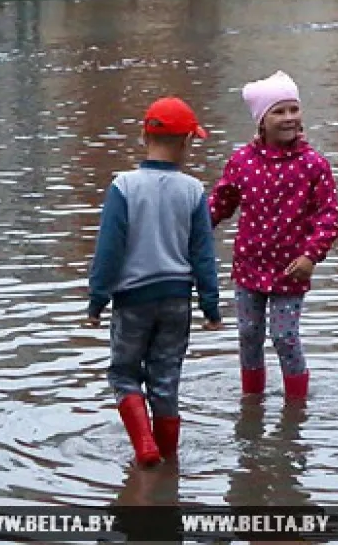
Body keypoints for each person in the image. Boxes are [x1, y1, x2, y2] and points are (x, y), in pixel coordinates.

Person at [85, 96, 224, 467]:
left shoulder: (123, 187)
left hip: (132, 300)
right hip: (177, 301)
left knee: (123, 373)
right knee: (166, 378)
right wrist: (211, 306)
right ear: (187, 143)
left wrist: (97, 300)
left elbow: (109, 250)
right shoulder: (193, 191)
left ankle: (145, 447)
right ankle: (170, 456)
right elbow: (203, 255)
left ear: (142, 136)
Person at [209, 71, 338, 401]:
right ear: (261, 121)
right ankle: (251, 402)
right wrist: (187, 231)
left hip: (291, 268)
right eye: (279, 112)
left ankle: (295, 408)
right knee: (248, 333)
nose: (289, 118)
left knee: (284, 336)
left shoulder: (314, 165)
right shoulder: (242, 162)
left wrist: (312, 255)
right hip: (249, 266)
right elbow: (220, 204)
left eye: (293, 109)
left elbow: (328, 216)